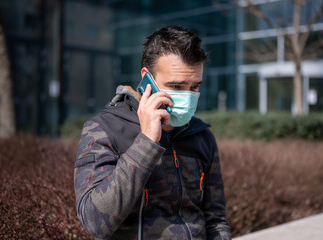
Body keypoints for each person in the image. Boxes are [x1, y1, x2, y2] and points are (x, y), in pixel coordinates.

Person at [74, 25, 232, 240]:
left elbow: (215, 218)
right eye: (176, 86)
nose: (187, 96)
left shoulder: (201, 135)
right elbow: (94, 222)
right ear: (147, 78)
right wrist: (146, 142)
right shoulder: (103, 129)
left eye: (194, 87)